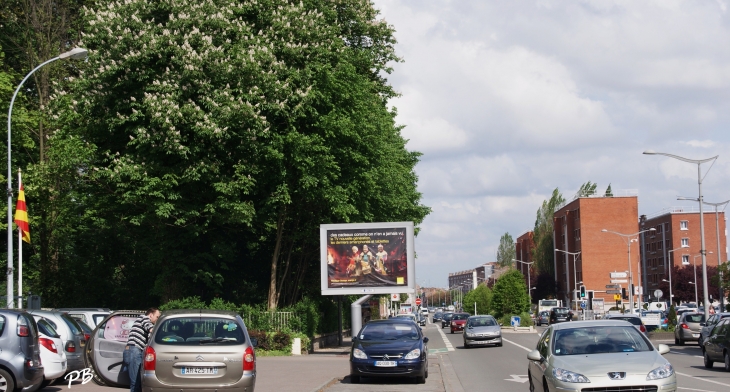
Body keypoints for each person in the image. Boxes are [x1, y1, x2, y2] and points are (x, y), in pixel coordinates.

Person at [127, 308, 161, 392]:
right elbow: (149, 327)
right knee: (135, 382)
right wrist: (156, 331)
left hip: (135, 350)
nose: (157, 319)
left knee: (137, 381)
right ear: (151, 315)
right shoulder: (144, 317)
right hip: (134, 350)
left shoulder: (143, 321)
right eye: (157, 317)